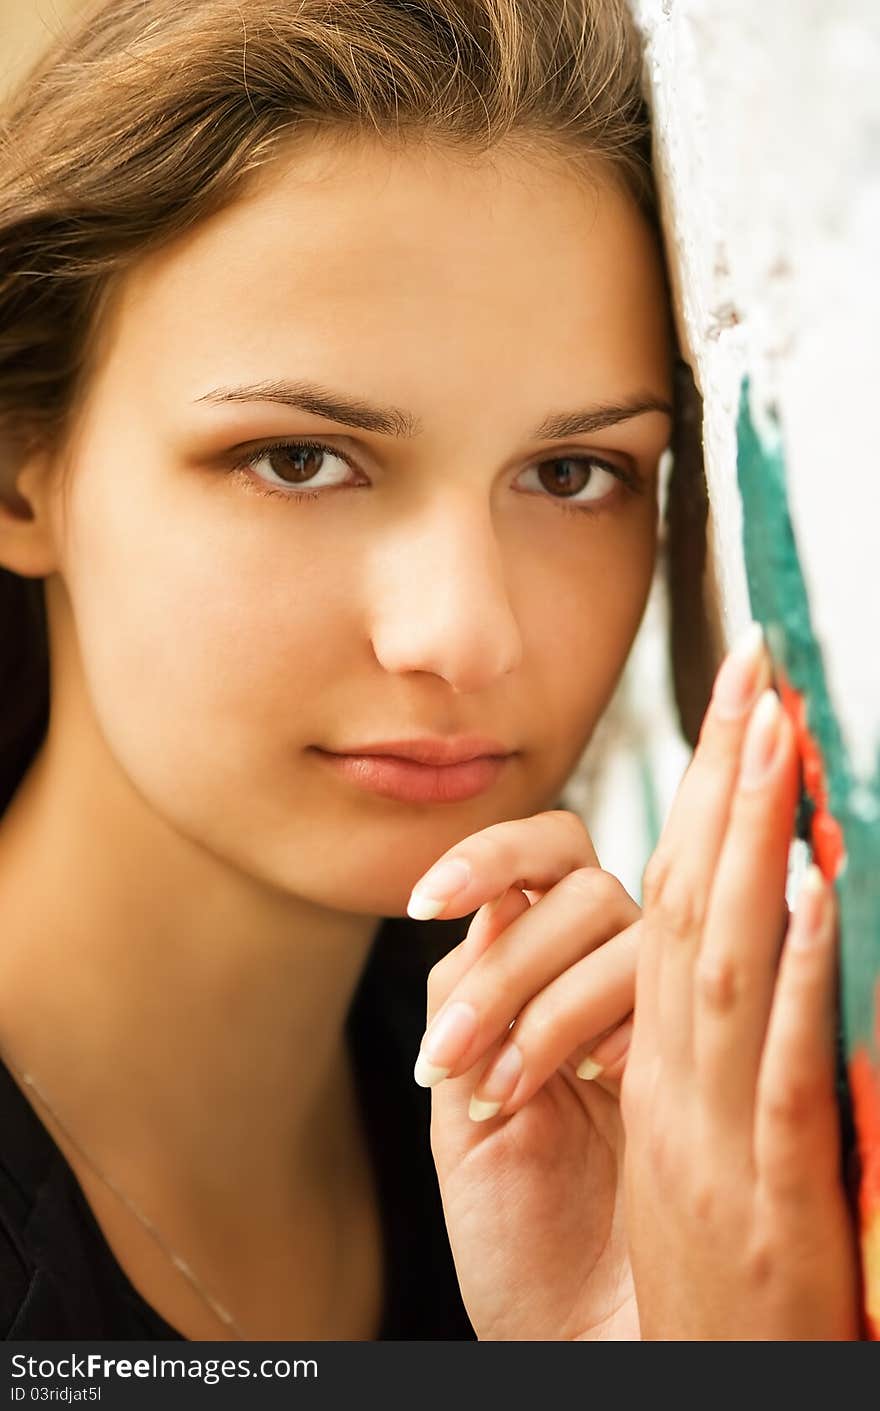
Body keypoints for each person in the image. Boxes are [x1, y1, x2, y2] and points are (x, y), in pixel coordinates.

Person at [1, 0, 854, 1343]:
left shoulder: (568, 1135)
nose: (464, 636)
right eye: (299, 459)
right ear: (18, 468)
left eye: (573, 474)